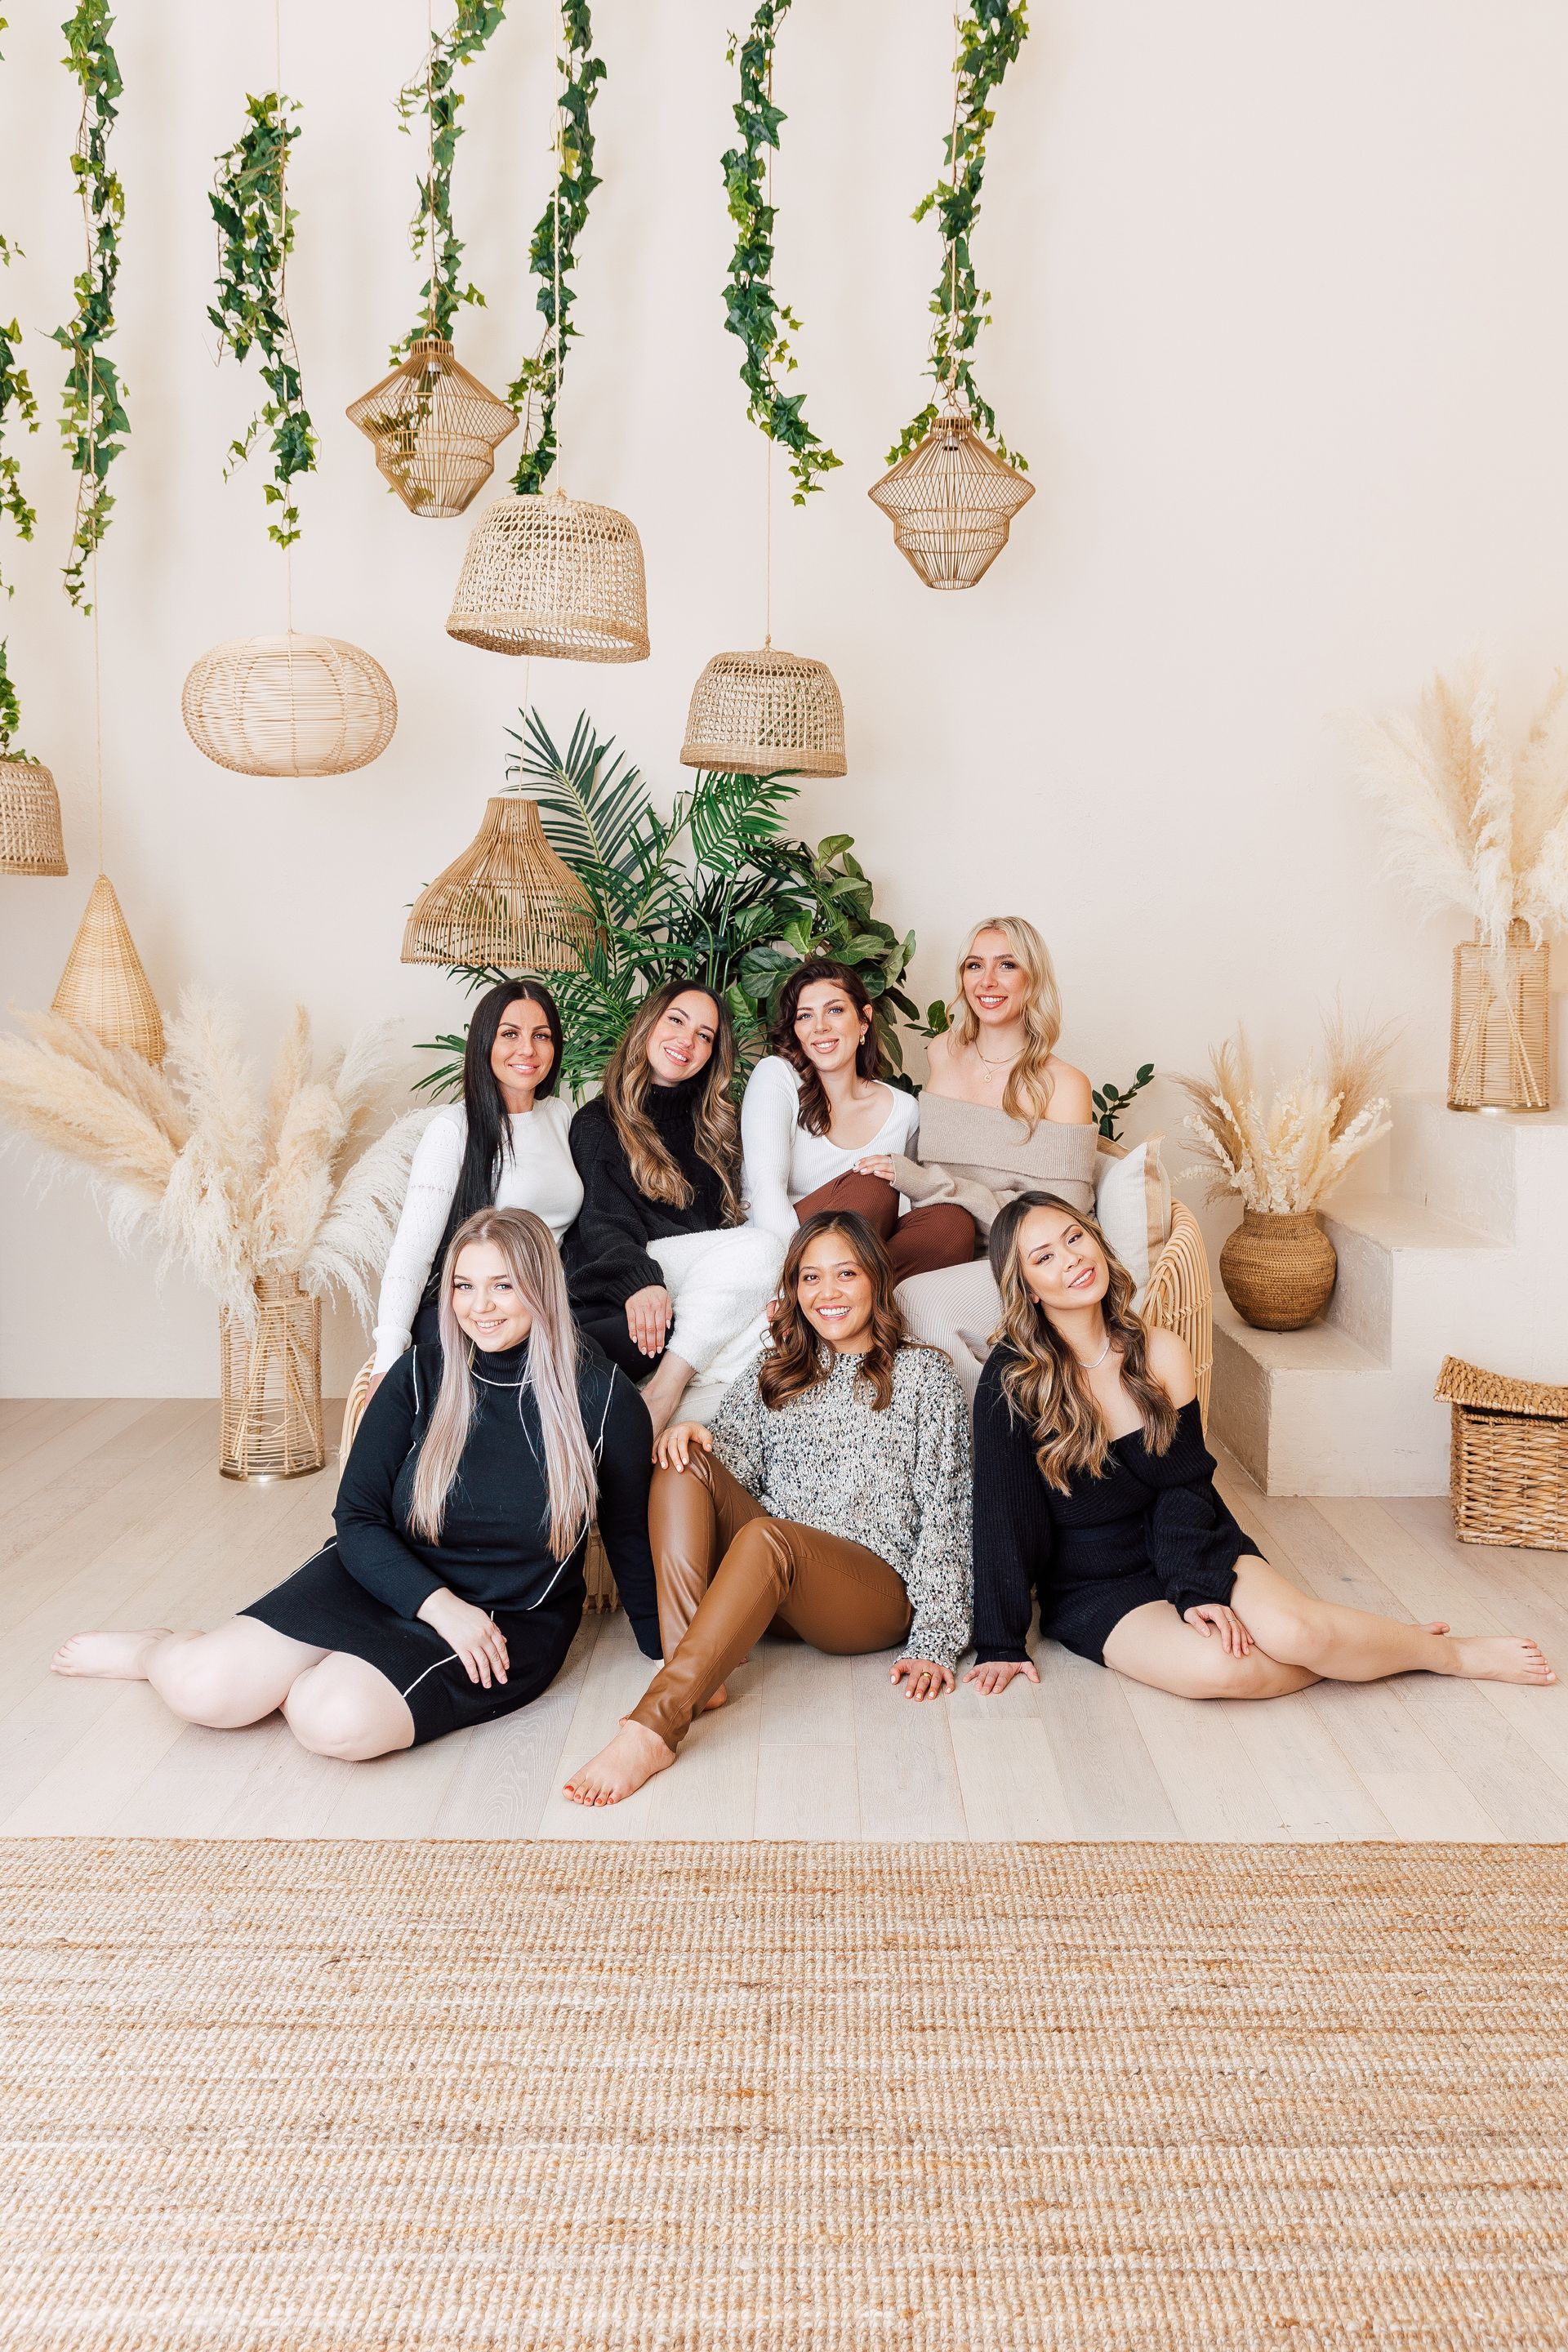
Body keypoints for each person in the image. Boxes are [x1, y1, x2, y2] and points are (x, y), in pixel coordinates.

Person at [51, 1209, 663, 1755]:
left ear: (541, 1288)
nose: (480, 1306)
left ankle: (331, 1672)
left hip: (506, 1619)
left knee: (333, 1722)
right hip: (381, 1573)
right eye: (464, 1286)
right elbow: (358, 1519)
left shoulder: (603, 1398)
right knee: (202, 1690)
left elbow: (629, 1536)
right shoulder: (421, 1376)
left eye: (503, 1285)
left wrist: (667, 1655)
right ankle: (152, 1648)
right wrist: (439, 1607)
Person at [967, 1191, 1557, 1700]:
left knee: (1302, 1635)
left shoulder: (1160, 1351)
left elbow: (1184, 1486)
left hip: (1192, 1540)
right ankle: (1379, 1650)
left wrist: (1193, 1584)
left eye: (1075, 1237)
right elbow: (1002, 1517)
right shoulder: (1011, 1382)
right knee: (1223, 1669)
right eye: (1045, 1257)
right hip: (1097, 1582)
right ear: (1028, 1289)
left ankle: (1445, 1654)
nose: (1071, 1260)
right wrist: (1000, 1640)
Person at [561, 1209, 973, 1806]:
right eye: (810, 1278)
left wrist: (934, 1639)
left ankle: (655, 1727)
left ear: (876, 1282)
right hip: (770, 1583)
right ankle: (695, 1670)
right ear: (794, 1289)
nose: (827, 1293)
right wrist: (690, 1435)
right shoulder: (776, 1369)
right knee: (681, 1456)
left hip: (871, 1594)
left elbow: (948, 1514)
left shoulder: (924, 1376)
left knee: (769, 1538)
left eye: (846, 1275)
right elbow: (731, 1462)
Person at [564, 977, 783, 1433]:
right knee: (763, 1251)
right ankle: (664, 1396)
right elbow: (603, 1222)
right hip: (635, 1269)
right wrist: (641, 1282)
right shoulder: (598, 1121)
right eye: (677, 1021)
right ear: (648, 1025)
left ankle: (658, 1414)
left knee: (780, 1325)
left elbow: (727, 1221)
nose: (687, 1040)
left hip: (698, 1281)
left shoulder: (715, 1127)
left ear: (712, 1054)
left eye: (704, 1036)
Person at [893, 916, 1099, 1396]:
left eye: (1007, 965)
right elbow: (925, 1165)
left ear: (1033, 980)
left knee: (912, 1303)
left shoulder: (1065, 1085)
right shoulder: (941, 1052)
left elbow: (1052, 1223)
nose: (987, 982)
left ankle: (987, 1447)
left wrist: (946, 1192)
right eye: (974, 966)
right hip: (937, 1238)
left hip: (1015, 1260)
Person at [368, 978, 580, 1399]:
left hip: (548, 1305)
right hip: (479, 1311)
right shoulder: (454, 1129)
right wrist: (387, 1361)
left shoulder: (561, 1116)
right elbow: (412, 1251)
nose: (528, 1050)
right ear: (485, 1043)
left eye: (542, 1036)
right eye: (510, 1035)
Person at [741, 956, 975, 1281]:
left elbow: (902, 1209)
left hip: (856, 1257)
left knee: (952, 1225)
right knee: (871, 1188)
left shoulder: (903, 1108)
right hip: (785, 1248)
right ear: (795, 1030)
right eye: (805, 1016)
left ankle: (859, 1305)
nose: (820, 1026)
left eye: (834, 1010)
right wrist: (790, 1280)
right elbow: (766, 1188)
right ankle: (811, 1298)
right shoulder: (777, 1076)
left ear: (864, 1020)